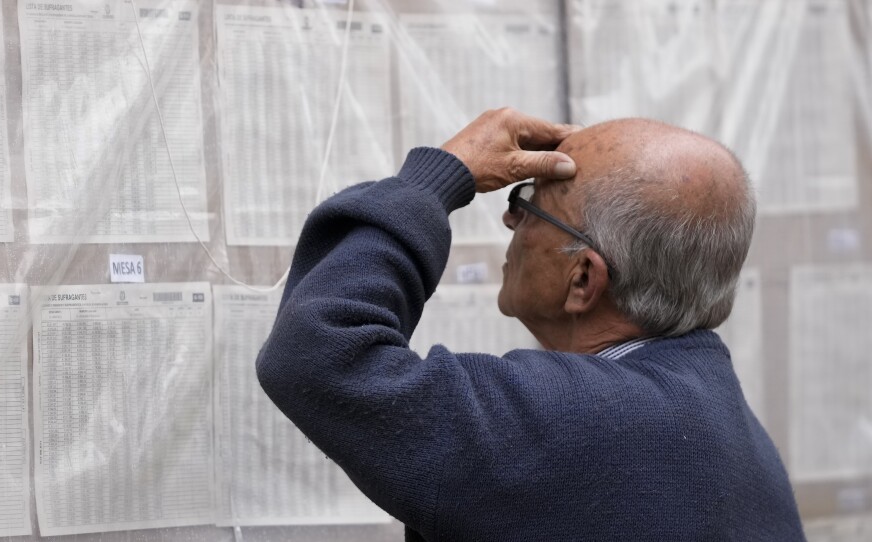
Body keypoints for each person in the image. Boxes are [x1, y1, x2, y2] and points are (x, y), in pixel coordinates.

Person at [256, 108, 805, 541]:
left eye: (531, 203)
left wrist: (437, 179)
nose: (509, 218)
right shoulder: (719, 417)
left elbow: (315, 352)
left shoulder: (578, 425)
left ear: (582, 281)